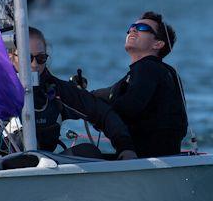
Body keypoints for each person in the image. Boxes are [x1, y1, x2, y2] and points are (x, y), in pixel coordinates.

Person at [12, 27, 137, 158]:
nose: (34, 64)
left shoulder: (55, 90)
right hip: (1, 167)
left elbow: (102, 112)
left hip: (44, 168)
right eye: (27, 57)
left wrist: (125, 147)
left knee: (88, 152)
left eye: (41, 58)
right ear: (10, 57)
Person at [92, 11, 188, 158]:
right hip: (163, 158)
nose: (133, 30)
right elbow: (110, 93)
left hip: (145, 160)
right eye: (131, 27)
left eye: (142, 28)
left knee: (82, 152)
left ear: (158, 44)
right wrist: (84, 96)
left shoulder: (147, 68)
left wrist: (96, 111)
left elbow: (129, 107)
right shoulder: (161, 71)